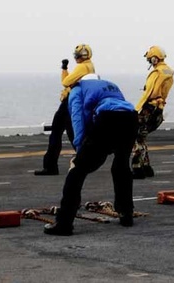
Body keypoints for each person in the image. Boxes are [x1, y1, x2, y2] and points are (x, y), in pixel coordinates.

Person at [43, 73, 138, 236]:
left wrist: (80, 151)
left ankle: (64, 224)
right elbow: (120, 106)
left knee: (77, 170)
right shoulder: (110, 84)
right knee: (121, 166)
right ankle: (126, 214)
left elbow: (78, 120)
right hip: (131, 118)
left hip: (108, 119)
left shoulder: (77, 89)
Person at [34, 44, 96, 176]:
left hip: (70, 100)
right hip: (77, 100)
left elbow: (66, 82)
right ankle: (84, 161)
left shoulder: (81, 66)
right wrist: (65, 68)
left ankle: (51, 166)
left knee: (57, 132)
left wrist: (63, 69)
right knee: (73, 133)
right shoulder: (90, 65)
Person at [131, 45, 174, 179]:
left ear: (155, 59)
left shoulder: (156, 73)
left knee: (136, 137)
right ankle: (147, 167)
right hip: (159, 108)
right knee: (142, 138)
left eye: (150, 59)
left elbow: (149, 93)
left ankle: (137, 169)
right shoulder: (168, 71)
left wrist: (137, 110)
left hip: (148, 108)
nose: (150, 62)